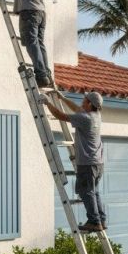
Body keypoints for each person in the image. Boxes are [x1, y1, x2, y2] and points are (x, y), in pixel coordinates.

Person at [40, 91, 106, 233]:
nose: (82, 101)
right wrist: (62, 98)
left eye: (85, 99)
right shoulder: (96, 115)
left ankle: (94, 222)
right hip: (98, 162)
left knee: (86, 191)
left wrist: (47, 102)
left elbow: (61, 116)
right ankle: (101, 219)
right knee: (94, 191)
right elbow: (77, 109)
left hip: (87, 163)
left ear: (89, 104)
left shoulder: (85, 118)